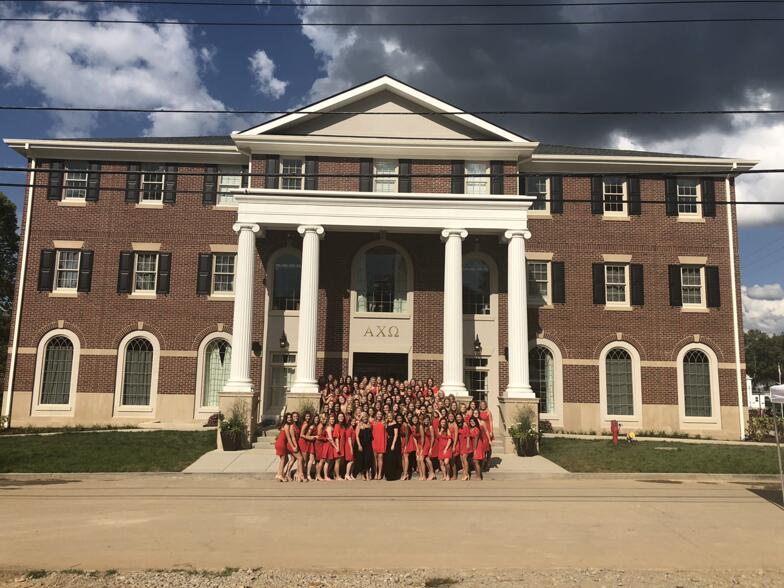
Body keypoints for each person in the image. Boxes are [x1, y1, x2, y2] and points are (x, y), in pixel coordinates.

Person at [356, 412, 373, 481]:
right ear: (361, 418)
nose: (365, 418)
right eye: (363, 417)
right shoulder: (359, 425)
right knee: (362, 459)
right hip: (362, 444)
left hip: (368, 444)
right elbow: (357, 436)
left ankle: (367, 474)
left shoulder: (369, 425)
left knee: (368, 459)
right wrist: (359, 445)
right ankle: (363, 474)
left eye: (366, 417)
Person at [274, 413, 291, 483]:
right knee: (283, 460)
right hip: (281, 443)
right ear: (285, 419)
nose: (289, 419)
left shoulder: (283, 425)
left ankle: (278, 473)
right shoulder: (286, 426)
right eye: (288, 418)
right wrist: (293, 445)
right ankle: (280, 475)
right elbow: (288, 437)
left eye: (290, 417)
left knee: (286, 459)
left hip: (280, 442)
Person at [371, 410, 386, 480]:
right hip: (374, 441)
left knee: (380, 458)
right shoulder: (372, 423)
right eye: (378, 414)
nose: (379, 415)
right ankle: (375, 473)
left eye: (380, 414)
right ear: (376, 415)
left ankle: (380, 473)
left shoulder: (384, 423)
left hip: (382, 441)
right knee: (374, 459)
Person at [456, 413, 470, 481]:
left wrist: (467, 444)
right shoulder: (458, 425)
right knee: (462, 460)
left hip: (465, 444)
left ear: (462, 418)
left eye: (459, 417)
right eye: (457, 417)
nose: (458, 418)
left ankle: (466, 474)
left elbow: (468, 435)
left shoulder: (465, 425)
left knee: (464, 459)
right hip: (460, 444)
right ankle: (464, 473)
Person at [469, 416, 484, 480]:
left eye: (473, 421)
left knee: (476, 461)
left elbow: (476, 440)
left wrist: (474, 450)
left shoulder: (476, 429)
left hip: (477, 445)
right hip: (473, 445)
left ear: (476, 422)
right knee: (475, 461)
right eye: (471, 421)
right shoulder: (471, 428)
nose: (472, 422)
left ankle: (479, 476)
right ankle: (477, 475)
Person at [343, 416, 356, 480]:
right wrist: (351, 448)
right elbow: (349, 439)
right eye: (352, 421)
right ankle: (347, 474)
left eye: (354, 421)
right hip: (348, 446)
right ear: (350, 422)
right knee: (350, 460)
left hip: (352, 446)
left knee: (353, 461)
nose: (354, 422)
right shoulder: (349, 429)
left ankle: (350, 474)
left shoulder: (352, 428)